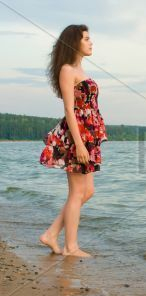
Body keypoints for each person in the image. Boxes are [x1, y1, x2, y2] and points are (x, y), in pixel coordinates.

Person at [38, 24, 108, 258]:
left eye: (90, 38)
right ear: (74, 42)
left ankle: (51, 234)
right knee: (77, 192)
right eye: (86, 38)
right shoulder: (67, 70)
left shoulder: (80, 69)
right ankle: (71, 247)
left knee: (87, 192)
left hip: (88, 136)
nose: (91, 42)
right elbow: (69, 109)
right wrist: (78, 144)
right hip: (77, 135)